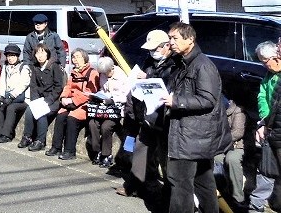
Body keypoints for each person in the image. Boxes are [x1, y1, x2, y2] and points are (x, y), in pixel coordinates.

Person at [162, 21, 232, 213]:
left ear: (190, 39)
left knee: (180, 185)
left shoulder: (202, 65)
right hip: (193, 136)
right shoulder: (182, 63)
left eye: (175, 38)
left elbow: (208, 99)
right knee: (204, 183)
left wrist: (176, 101)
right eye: (169, 38)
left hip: (191, 137)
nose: (171, 43)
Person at [117, 29, 177, 201]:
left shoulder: (175, 62)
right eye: (151, 49)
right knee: (140, 151)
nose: (153, 52)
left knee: (165, 158)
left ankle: (168, 193)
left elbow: (167, 82)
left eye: (156, 48)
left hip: (164, 117)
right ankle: (134, 185)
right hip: (148, 114)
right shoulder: (149, 60)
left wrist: (147, 76)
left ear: (166, 46)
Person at [46, 48, 100, 160]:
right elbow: (68, 87)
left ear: (85, 58)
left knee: (72, 118)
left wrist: (73, 100)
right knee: (60, 115)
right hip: (71, 102)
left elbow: (89, 93)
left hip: (84, 104)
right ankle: (56, 147)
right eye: (73, 57)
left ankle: (70, 151)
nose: (75, 60)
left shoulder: (92, 73)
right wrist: (64, 98)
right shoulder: (74, 72)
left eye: (78, 57)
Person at [17, 43, 65, 152]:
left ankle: (40, 141)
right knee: (30, 109)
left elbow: (58, 87)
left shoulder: (54, 66)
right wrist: (35, 100)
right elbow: (33, 86)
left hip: (53, 100)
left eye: (42, 52)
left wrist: (47, 100)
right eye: (37, 53)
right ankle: (27, 136)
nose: (40, 56)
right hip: (40, 99)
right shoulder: (35, 67)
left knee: (41, 113)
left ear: (47, 54)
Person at [252, 40, 281, 212]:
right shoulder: (269, 76)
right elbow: (262, 96)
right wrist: (264, 119)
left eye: (264, 61)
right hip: (273, 129)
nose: (264, 65)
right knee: (269, 170)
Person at [88, 56, 129, 168]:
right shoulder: (102, 75)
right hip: (102, 108)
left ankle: (107, 155)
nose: (105, 75)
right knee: (92, 123)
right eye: (103, 73)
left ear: (111, 68)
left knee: (106, 127)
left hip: (115, 109)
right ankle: (97, 151)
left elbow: (125, 95)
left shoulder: (122, 76)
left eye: (106, 72)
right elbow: (102, 89)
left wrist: (112, 99)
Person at [0, 43, 31, 143]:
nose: (10, 58)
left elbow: (24, 84)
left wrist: (11, 96)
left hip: (21, 99)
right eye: (8, 56)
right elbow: (2, 82)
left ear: (18, 56)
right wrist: (0, 96)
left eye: (13, 56)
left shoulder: (24, 67)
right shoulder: (5, 66)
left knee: (11, 108)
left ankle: (7, 134)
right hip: (8, 96)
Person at [213, 96, 246, 209]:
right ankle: (223, 191)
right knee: (216, 158)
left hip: (237, 146)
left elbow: (238, 132)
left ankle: (238, 197)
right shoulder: (217, 112)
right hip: (222, 145)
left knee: (231, 159)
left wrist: (219, 140)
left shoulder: (238, 110)